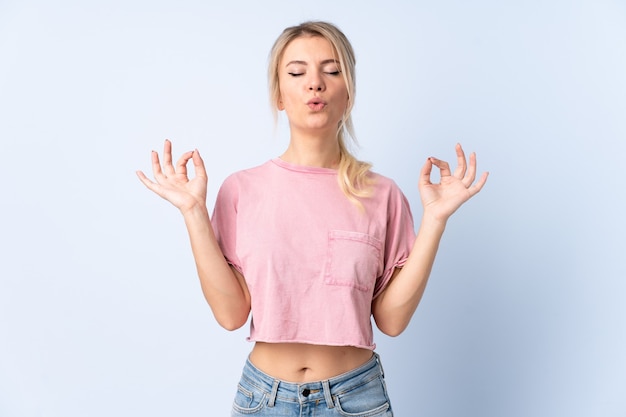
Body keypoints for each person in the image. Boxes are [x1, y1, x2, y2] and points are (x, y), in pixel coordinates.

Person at [136, 20, 487, 417]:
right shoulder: (240, 190)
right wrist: (193, 213)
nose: (315, 83)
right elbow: (231, 314)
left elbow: (390, 321)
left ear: (349, 92)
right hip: (262, 400)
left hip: (357, 399)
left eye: (332, 71)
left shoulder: (383, 195)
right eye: (297, 72)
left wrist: (436, 220)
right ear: (279, 95)